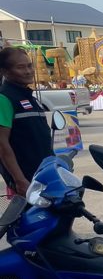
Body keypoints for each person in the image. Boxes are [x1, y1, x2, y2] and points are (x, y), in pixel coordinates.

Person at [0, 47, 54, 197]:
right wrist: (20, 180)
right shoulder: (4, 98)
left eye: (29, 66)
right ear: (5, 71)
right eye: (20, 67)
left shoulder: (30, 97)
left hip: (43, 176)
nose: (28, 71)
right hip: (27, 183)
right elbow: (2, 144)